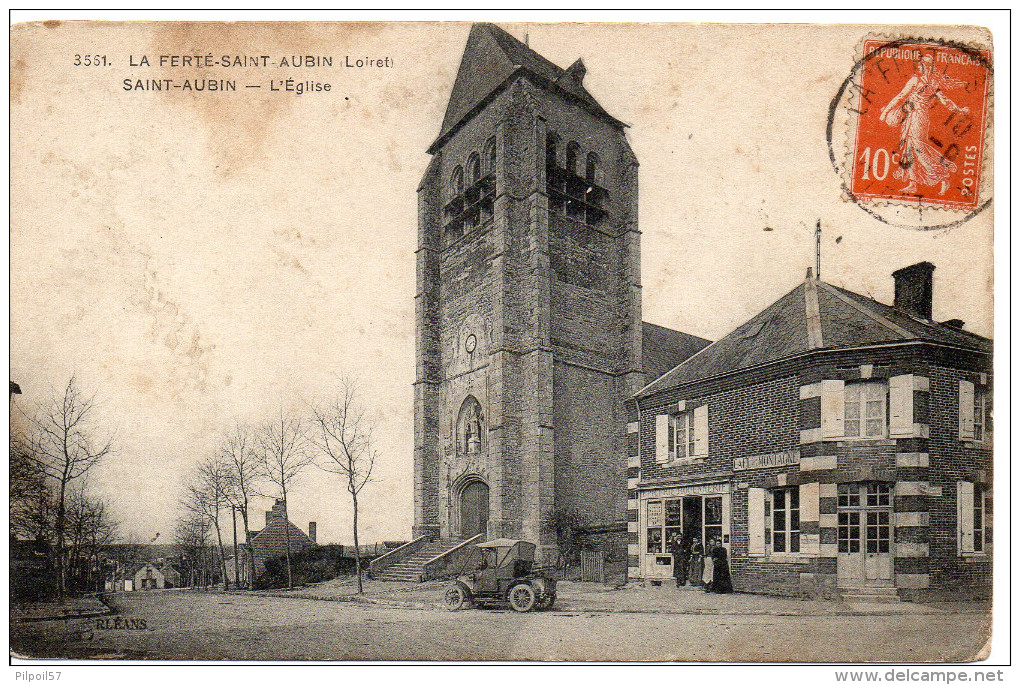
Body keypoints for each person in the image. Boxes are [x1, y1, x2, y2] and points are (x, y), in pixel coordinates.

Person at [878, 53, 969, 195]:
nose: (919, 66)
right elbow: (901, 96)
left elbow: (901, 96)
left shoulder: (922, 81)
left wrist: (959, 109)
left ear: (925, 66)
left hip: (918, 117)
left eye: (921, 64)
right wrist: (958, 109)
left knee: (919, 148)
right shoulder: (927, 82)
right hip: (911, 117)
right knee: (909, 148)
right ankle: (913, 183)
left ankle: (944, 176)